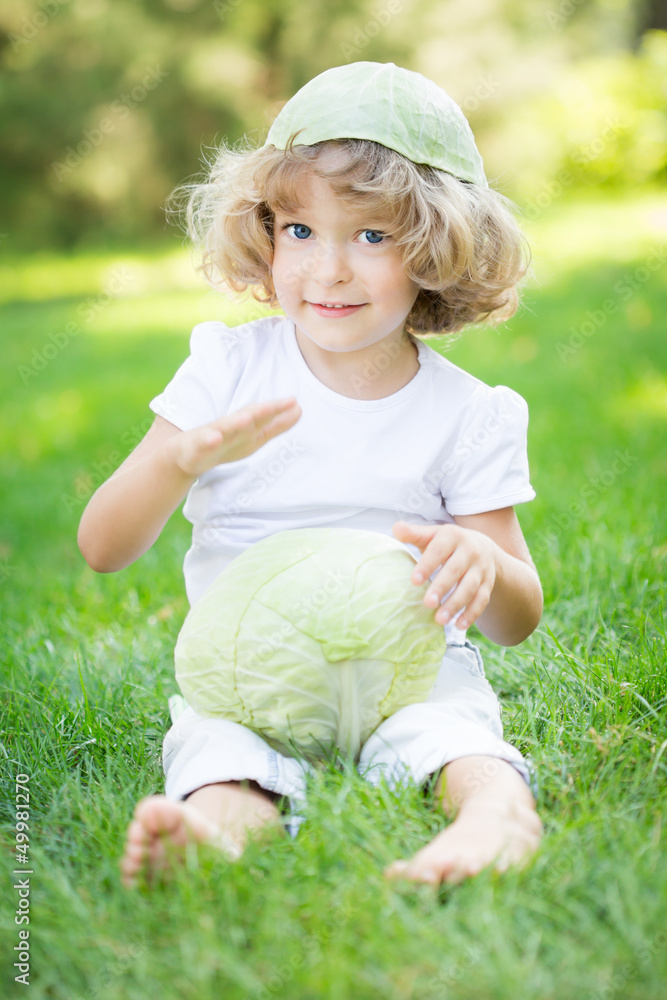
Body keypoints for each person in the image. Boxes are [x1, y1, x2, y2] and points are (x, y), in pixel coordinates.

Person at [78, 61, 544, 889]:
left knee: (458, 734)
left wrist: (486, 567)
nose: (326, 270)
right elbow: (103, 547)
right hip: (247, 670)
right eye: (298, 231)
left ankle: (494, 814)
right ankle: (214, 832)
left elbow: (516, 617)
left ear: (440, 246)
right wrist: (175, 464)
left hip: (410, 667)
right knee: (221, 752)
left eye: (371, 236)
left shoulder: (468, 413)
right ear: (262, 231)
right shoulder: (225, 372)